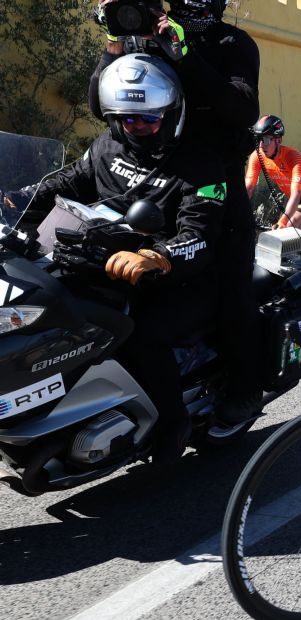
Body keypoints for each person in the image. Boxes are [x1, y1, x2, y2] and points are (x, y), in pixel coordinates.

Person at [23, 54, 226, 465]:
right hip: (104, 260)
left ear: (171, 114)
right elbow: (62, 185)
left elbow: (200, 236)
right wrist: (17, 201)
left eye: (147, 121)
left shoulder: (201, 164)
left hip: (181, 277)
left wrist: (158, 255)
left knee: (142, 332)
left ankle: (173, 423)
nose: (136, 129)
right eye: (125, 120)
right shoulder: (107, 145)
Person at [88, 0, 263, 426]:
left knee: (230, 287)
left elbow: (242, 110)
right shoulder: (142, 37)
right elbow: (99, 102)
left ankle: (245, 388)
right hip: (151, 178)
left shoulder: (232, 42)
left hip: (213, 183)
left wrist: (185, 55)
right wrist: (114, 39)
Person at [245, 115, 301, 230]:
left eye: (266, 139)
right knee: (283, 235)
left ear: (278, 140)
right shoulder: (257, 156)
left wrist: (283, 221)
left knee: (290, 223)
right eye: (259, 139)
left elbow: (296, 193)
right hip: (291, 199)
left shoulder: (293, 157)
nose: (261, 145)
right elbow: (248, 188)